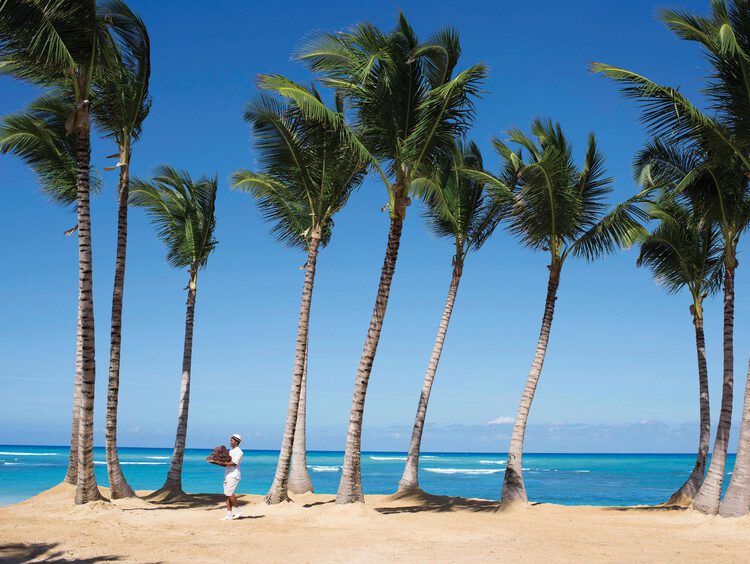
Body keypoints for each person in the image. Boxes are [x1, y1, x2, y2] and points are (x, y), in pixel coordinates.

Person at [219, 433, 243, 521]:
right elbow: (226, 463)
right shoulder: (230, 451)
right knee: (227, 495)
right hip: (228, 475)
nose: (230, 442)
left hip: (234, 475)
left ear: (236, 442)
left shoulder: (239, 452)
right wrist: (216, 461)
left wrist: (221, 463)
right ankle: (229, 515)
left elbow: (233, 463)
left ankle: (239, 511)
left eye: (232, 440)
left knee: (229, 493)